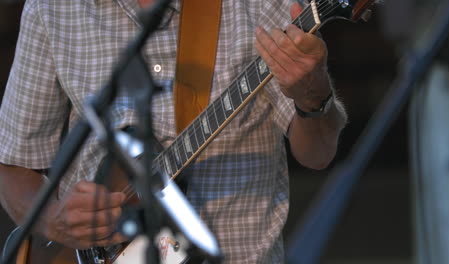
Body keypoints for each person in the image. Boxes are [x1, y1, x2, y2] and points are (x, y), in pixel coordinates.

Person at [0, 0, 347, 263]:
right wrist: (52, 221)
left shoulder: (258, 4)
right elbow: (12, 165)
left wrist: (312, 94)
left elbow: (318, 153)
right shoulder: (53, 8)